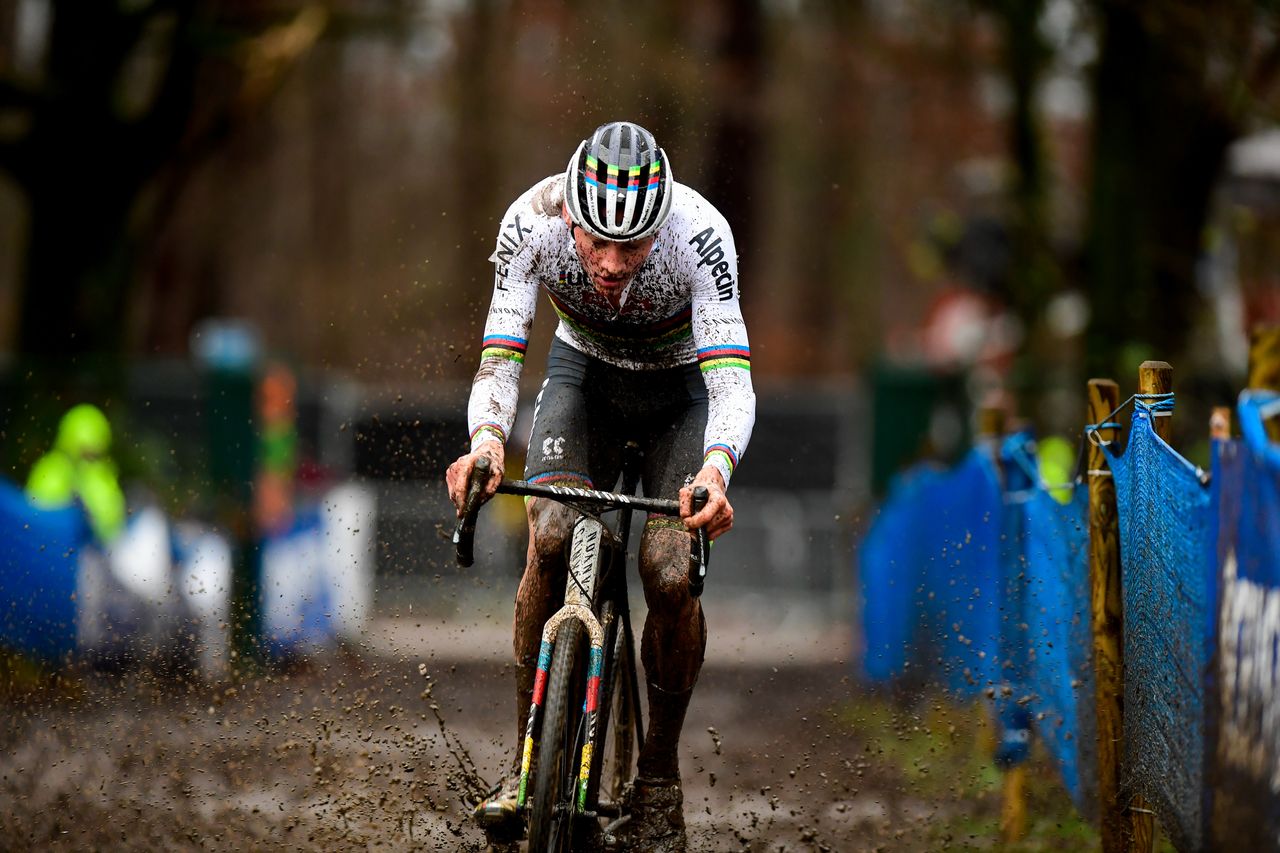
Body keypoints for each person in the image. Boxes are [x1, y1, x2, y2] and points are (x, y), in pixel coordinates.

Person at [445, 120, 755, 851]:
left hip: (681, 396)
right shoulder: (531, 222)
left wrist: (715, 468)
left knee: (670, 572)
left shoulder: (701, 235)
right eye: (597, 242)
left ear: (662, 225)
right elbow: (500, 355)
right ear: (570, 218)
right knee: (548, 535)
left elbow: (731, 382)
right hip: (582, 381)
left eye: (634, 246)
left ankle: (656, 781)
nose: (613, 264)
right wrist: (487, 440)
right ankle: (528, 763)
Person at [26, 403, 127, 545]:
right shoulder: (53, 468)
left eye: (92, 455)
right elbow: (37, 515)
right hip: (61, 547)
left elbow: (112, 525)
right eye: (86, 453)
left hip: (86, 550)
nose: (89, 460)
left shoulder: (50, 466)